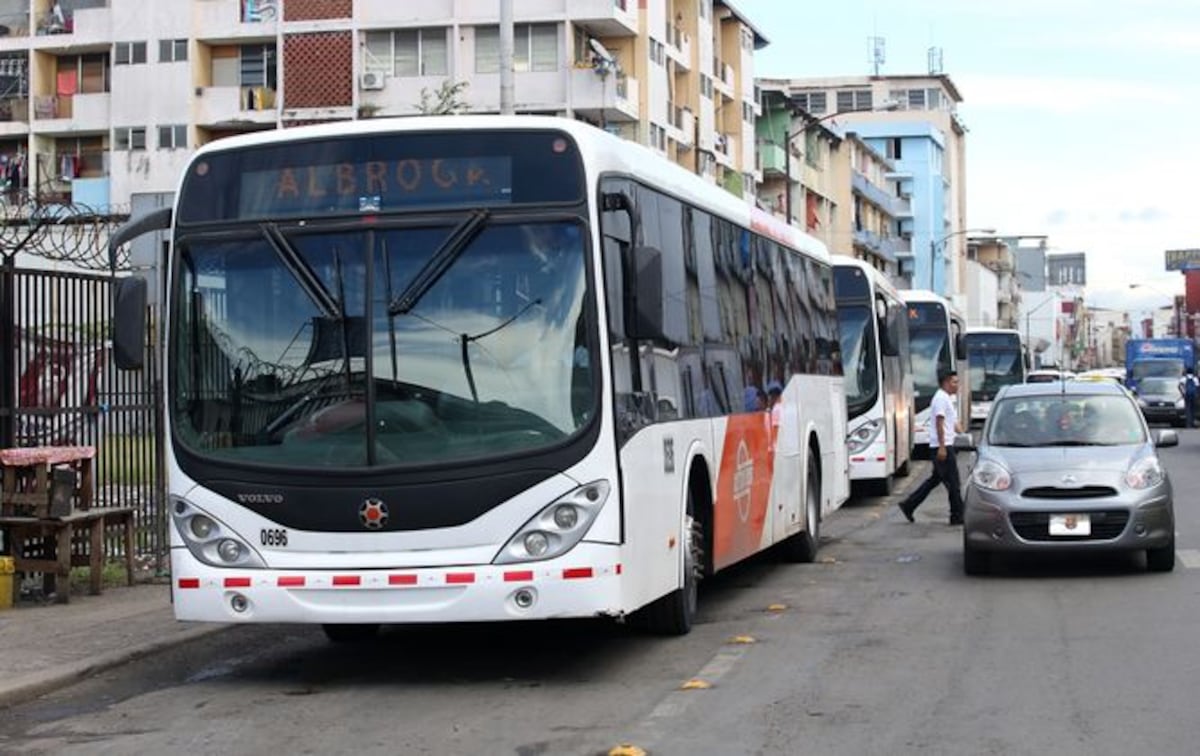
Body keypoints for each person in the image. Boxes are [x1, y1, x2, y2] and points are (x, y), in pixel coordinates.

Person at [898, 369, 965, 525]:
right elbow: (939, 422)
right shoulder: (941, 398)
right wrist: (942, 447)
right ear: (946, 382)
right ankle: (957, 515)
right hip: (942, 447)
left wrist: (964, 437)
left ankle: (909, 505)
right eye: (955, 382)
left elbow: (953, 423)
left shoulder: (947, 398)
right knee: (953, 483)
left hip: (946, 445)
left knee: (936, 480)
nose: (957, 385)